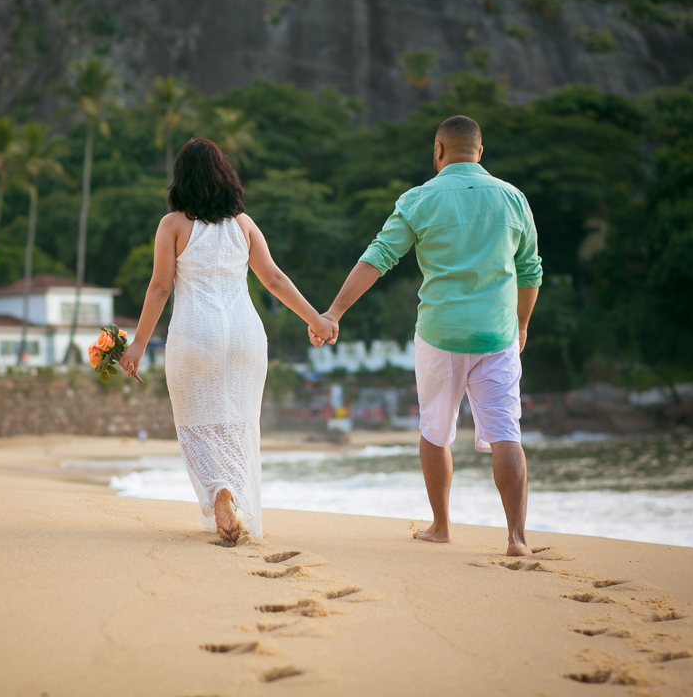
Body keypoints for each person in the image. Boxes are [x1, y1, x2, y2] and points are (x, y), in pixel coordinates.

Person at [312, 115, 542, 556]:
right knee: (506, 433)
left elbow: (378, 257)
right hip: (498, 336)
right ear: (480, 151)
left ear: (438, 151)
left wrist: (334, 311)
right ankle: (516, 538)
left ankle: (441, 527)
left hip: (440, 336)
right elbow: (531, 271)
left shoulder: (419, 200)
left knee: (436, 430)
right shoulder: (514, 199)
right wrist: (522, 325)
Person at [119, 138, 335, 542]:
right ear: (225, 176)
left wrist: (138, 343)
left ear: (181, 179)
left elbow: (160, 288)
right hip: (245, 335)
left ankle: (219, 492)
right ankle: (231, 490)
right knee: (238, 421)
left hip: (195, 334)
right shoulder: (243, 224)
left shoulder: (173, 225)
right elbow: (273, 279)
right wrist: (317, 320)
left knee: (196, 421)